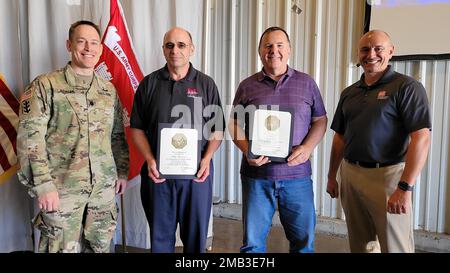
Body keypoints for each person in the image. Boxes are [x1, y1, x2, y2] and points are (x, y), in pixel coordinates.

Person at [16, 20, 129, 253]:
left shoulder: (108, 90)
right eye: (81, 42)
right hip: (61, 190)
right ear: (69, 45)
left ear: (100, 48)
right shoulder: (44, 86)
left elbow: (117, 135)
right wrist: (44, 185)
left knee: (99, 248)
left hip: (102, 192)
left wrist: (122, 171)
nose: (88, 48)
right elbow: (30, 139)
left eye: (94, 43)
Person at [326, 30, 431, 253]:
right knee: (360, 244)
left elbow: (421, 137)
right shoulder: (349, 93)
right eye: (365, 49)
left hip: (388, 177)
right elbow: (339, 137)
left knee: (396, 246)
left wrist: (404, 187)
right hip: (351, 175)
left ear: (391, 52)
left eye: (378, 48)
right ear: (358, 54)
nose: (371, 54)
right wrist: (331, 177)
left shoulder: (407, 88)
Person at [229, 26, 327, 253]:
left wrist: (307, 147)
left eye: (280, 45)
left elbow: (320, 120)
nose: (274, 50)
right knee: (252, 246)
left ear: (289, 50)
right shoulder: (247, 85)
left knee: (303, 244)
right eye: (268, 46)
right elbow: (233, 123)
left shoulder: (307, 83)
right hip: (257, 178)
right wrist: (248, 151)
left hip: (297, 177)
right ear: (259, 51)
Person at [130, 27, 224, 253]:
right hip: (158, 176)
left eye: (181, 45)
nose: (175, 50)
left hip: (196, 178)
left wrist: (207, 157)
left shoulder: (206, 84)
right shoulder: (148, 84)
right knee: (160, 241)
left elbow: (217, 129)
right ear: (163, 50)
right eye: (170, 45)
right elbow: (136, 128)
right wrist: (150, 159)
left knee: (195, 241)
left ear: (192, 49)